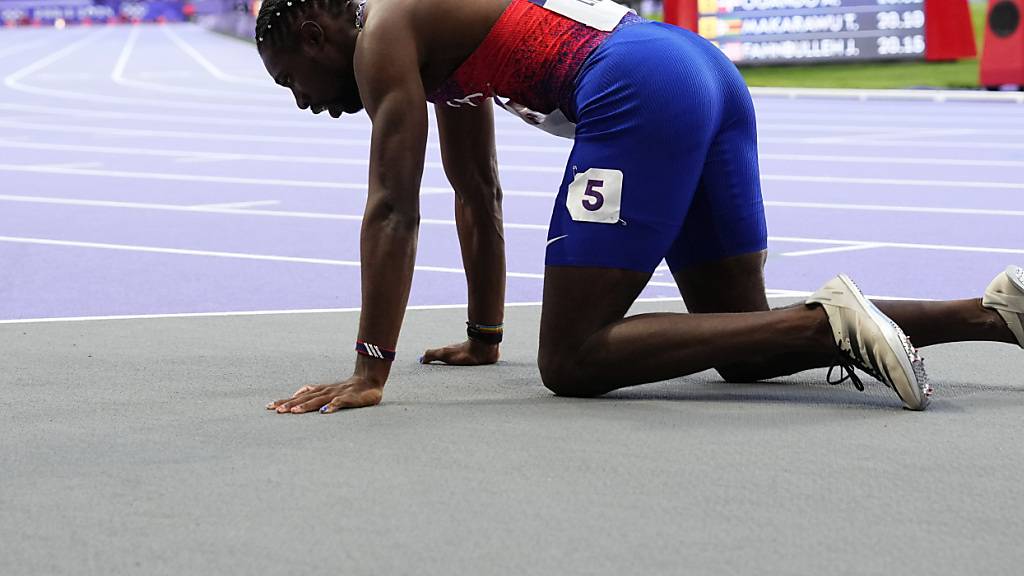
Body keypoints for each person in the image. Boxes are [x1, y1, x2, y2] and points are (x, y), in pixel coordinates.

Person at [258, 0, 1023, 414]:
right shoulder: (427, 39)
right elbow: (476, 192)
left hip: (639, 85)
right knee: (745, 349)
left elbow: (394, 208)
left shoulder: (382, 32)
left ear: (317, 33)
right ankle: (992, 314)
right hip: (694, 68)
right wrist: (485, 337)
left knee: (571, 358)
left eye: (292, 79)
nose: (303, 105)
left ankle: (826, 319)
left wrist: (369, 371)